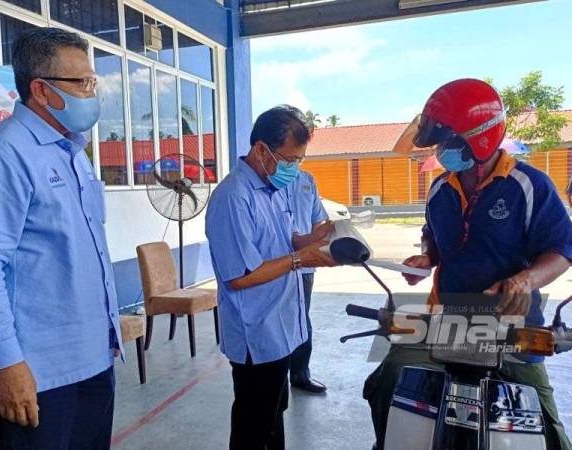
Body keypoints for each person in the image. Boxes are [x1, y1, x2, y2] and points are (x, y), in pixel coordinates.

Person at [364, 79, 572, 450]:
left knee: (545, 426)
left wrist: (525, 280)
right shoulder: (441, 187)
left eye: (448, 141)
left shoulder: (530, 185)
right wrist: (428, 256)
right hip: (449, 321)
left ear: (480, 138)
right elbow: (433, 233)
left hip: (512, 326)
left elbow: (561, 250)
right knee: (387, 382)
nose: (442, 151)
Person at [0, 28, 122, 450]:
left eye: (92, 81)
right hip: (37, 374)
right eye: (83, 83)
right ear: (40, 89)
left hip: (92, 361)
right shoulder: (3, 154)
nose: (92, 91)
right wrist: (9, 365)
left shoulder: (73, 153)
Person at [205, 105, 336, 450]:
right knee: (253, 426)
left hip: (280, 328)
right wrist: (299, 259)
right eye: (291, 159)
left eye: (299, 161)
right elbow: (240, 276)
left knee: (273, 416)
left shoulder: (270, 188)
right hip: (256, 333)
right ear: (262, 150)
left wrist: (322, 239)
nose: (294, 168)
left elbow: (287, 238)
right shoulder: (234, 196)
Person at [286, 170, 330, 393]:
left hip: (305, 265)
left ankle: (300, 374)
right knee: (280, 318)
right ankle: (276, 375)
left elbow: (316, 219)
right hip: (277, 264)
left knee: (302, 319)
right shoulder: (270, 181)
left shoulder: (307, 180)